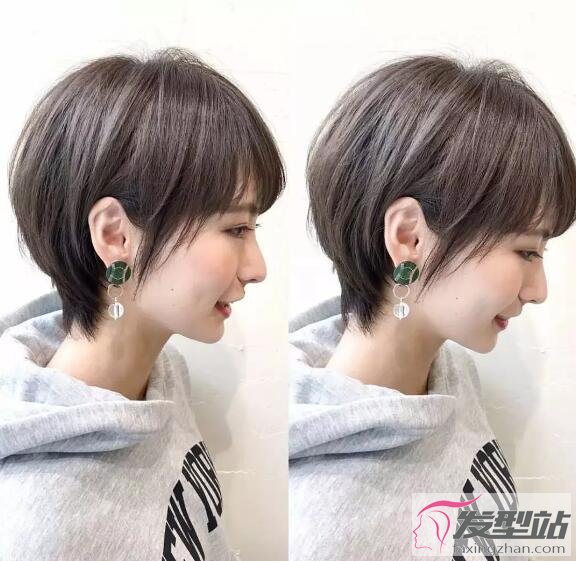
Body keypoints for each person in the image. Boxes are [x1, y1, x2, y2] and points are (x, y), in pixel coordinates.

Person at [0, 47, 284, 561]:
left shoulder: (161, 376)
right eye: (236, 229)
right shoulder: (39, 524)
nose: (257, 268)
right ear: (116, 236)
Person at [289, 55, 576, 560]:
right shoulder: (328, 526)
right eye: (526, 252)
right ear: (410, 237)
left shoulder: (448, 373)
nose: (539, 290)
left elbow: (459, 534)